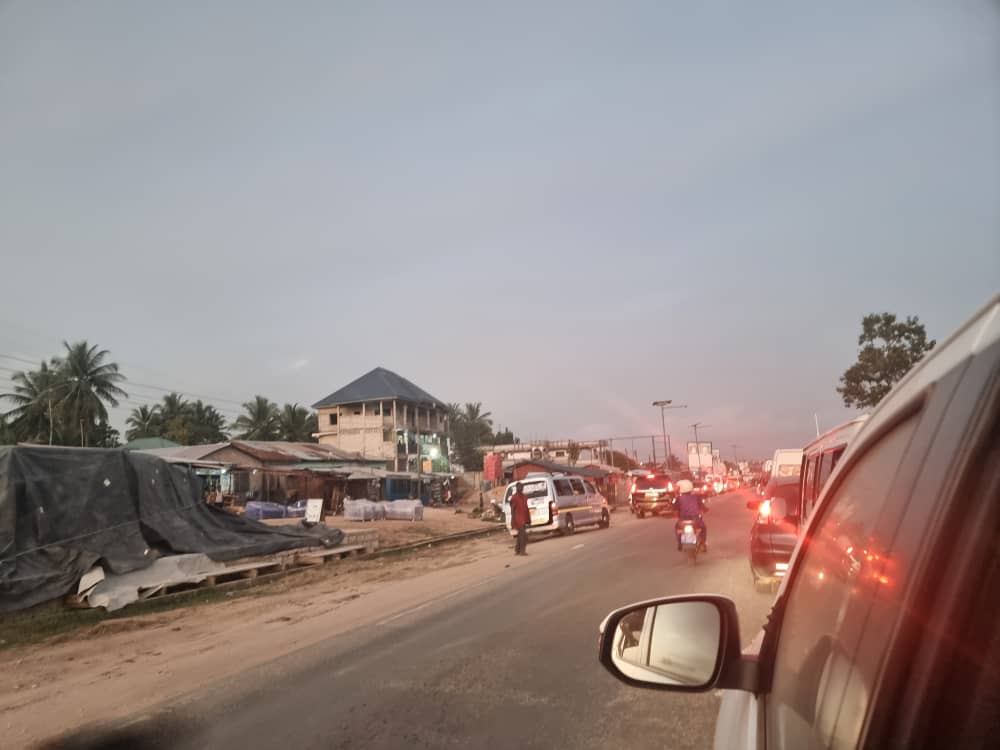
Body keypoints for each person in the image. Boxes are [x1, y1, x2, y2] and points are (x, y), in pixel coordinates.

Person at [675, 479, 707, 552]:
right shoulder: (696, 497)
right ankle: (703, 543)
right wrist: (705, 509)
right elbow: (702, 506)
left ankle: (680, 544)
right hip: (695, 519)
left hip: (683, 520)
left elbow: (674, 508)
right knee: (703, 528)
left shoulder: (679, 498)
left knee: (677, 528)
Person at [509, 482, 530, 556]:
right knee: (523, 536)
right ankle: (522, 551)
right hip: (517, 519)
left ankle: (517, 550)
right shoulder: (514, 498)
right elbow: (512, 510)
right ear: (516, 488)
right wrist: (513, 520)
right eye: (519, 487)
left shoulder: (524, 497)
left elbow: (526, 508)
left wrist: (528, 519)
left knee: (520, 535)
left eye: (522, 487)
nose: (521, 488)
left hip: (523, 518)